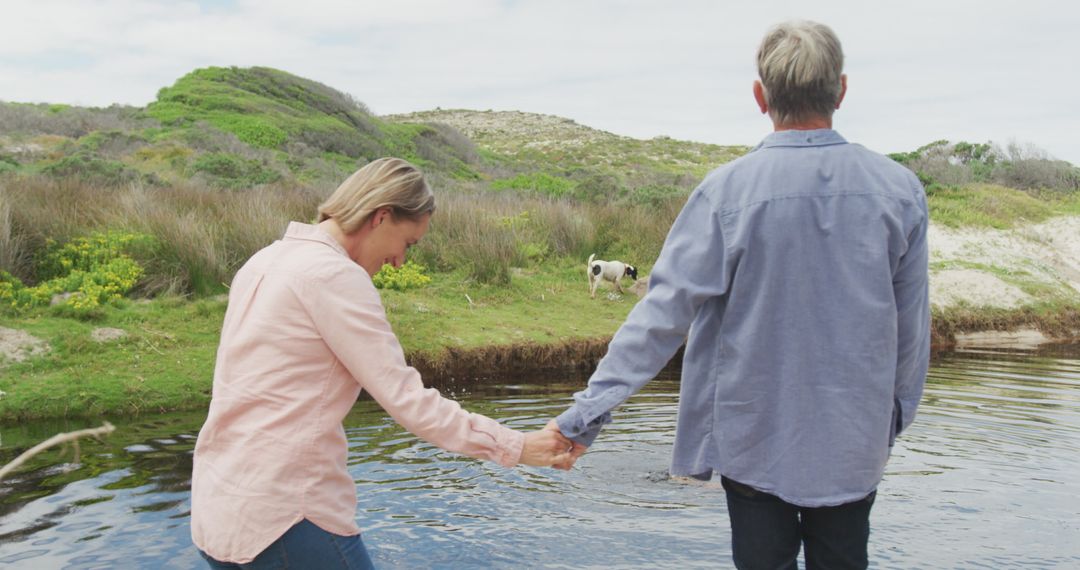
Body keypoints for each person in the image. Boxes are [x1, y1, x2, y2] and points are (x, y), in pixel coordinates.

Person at [552, 20, 930, 570]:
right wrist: (891, 416)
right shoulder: (901, 192)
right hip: (855, 442)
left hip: (753, 440)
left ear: (760, 97)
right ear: (842, 91)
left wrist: (584, 417)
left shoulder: (724, 193)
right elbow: (911, 327)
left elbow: (659, 319)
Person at [191, 157, 574, 568]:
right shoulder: (334, 276)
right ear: (382, 216)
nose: (399, 261)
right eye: (408, 243)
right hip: (286, 517)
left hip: (218, 507)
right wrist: (516, 447)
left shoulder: (263, 260)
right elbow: (408, 400)